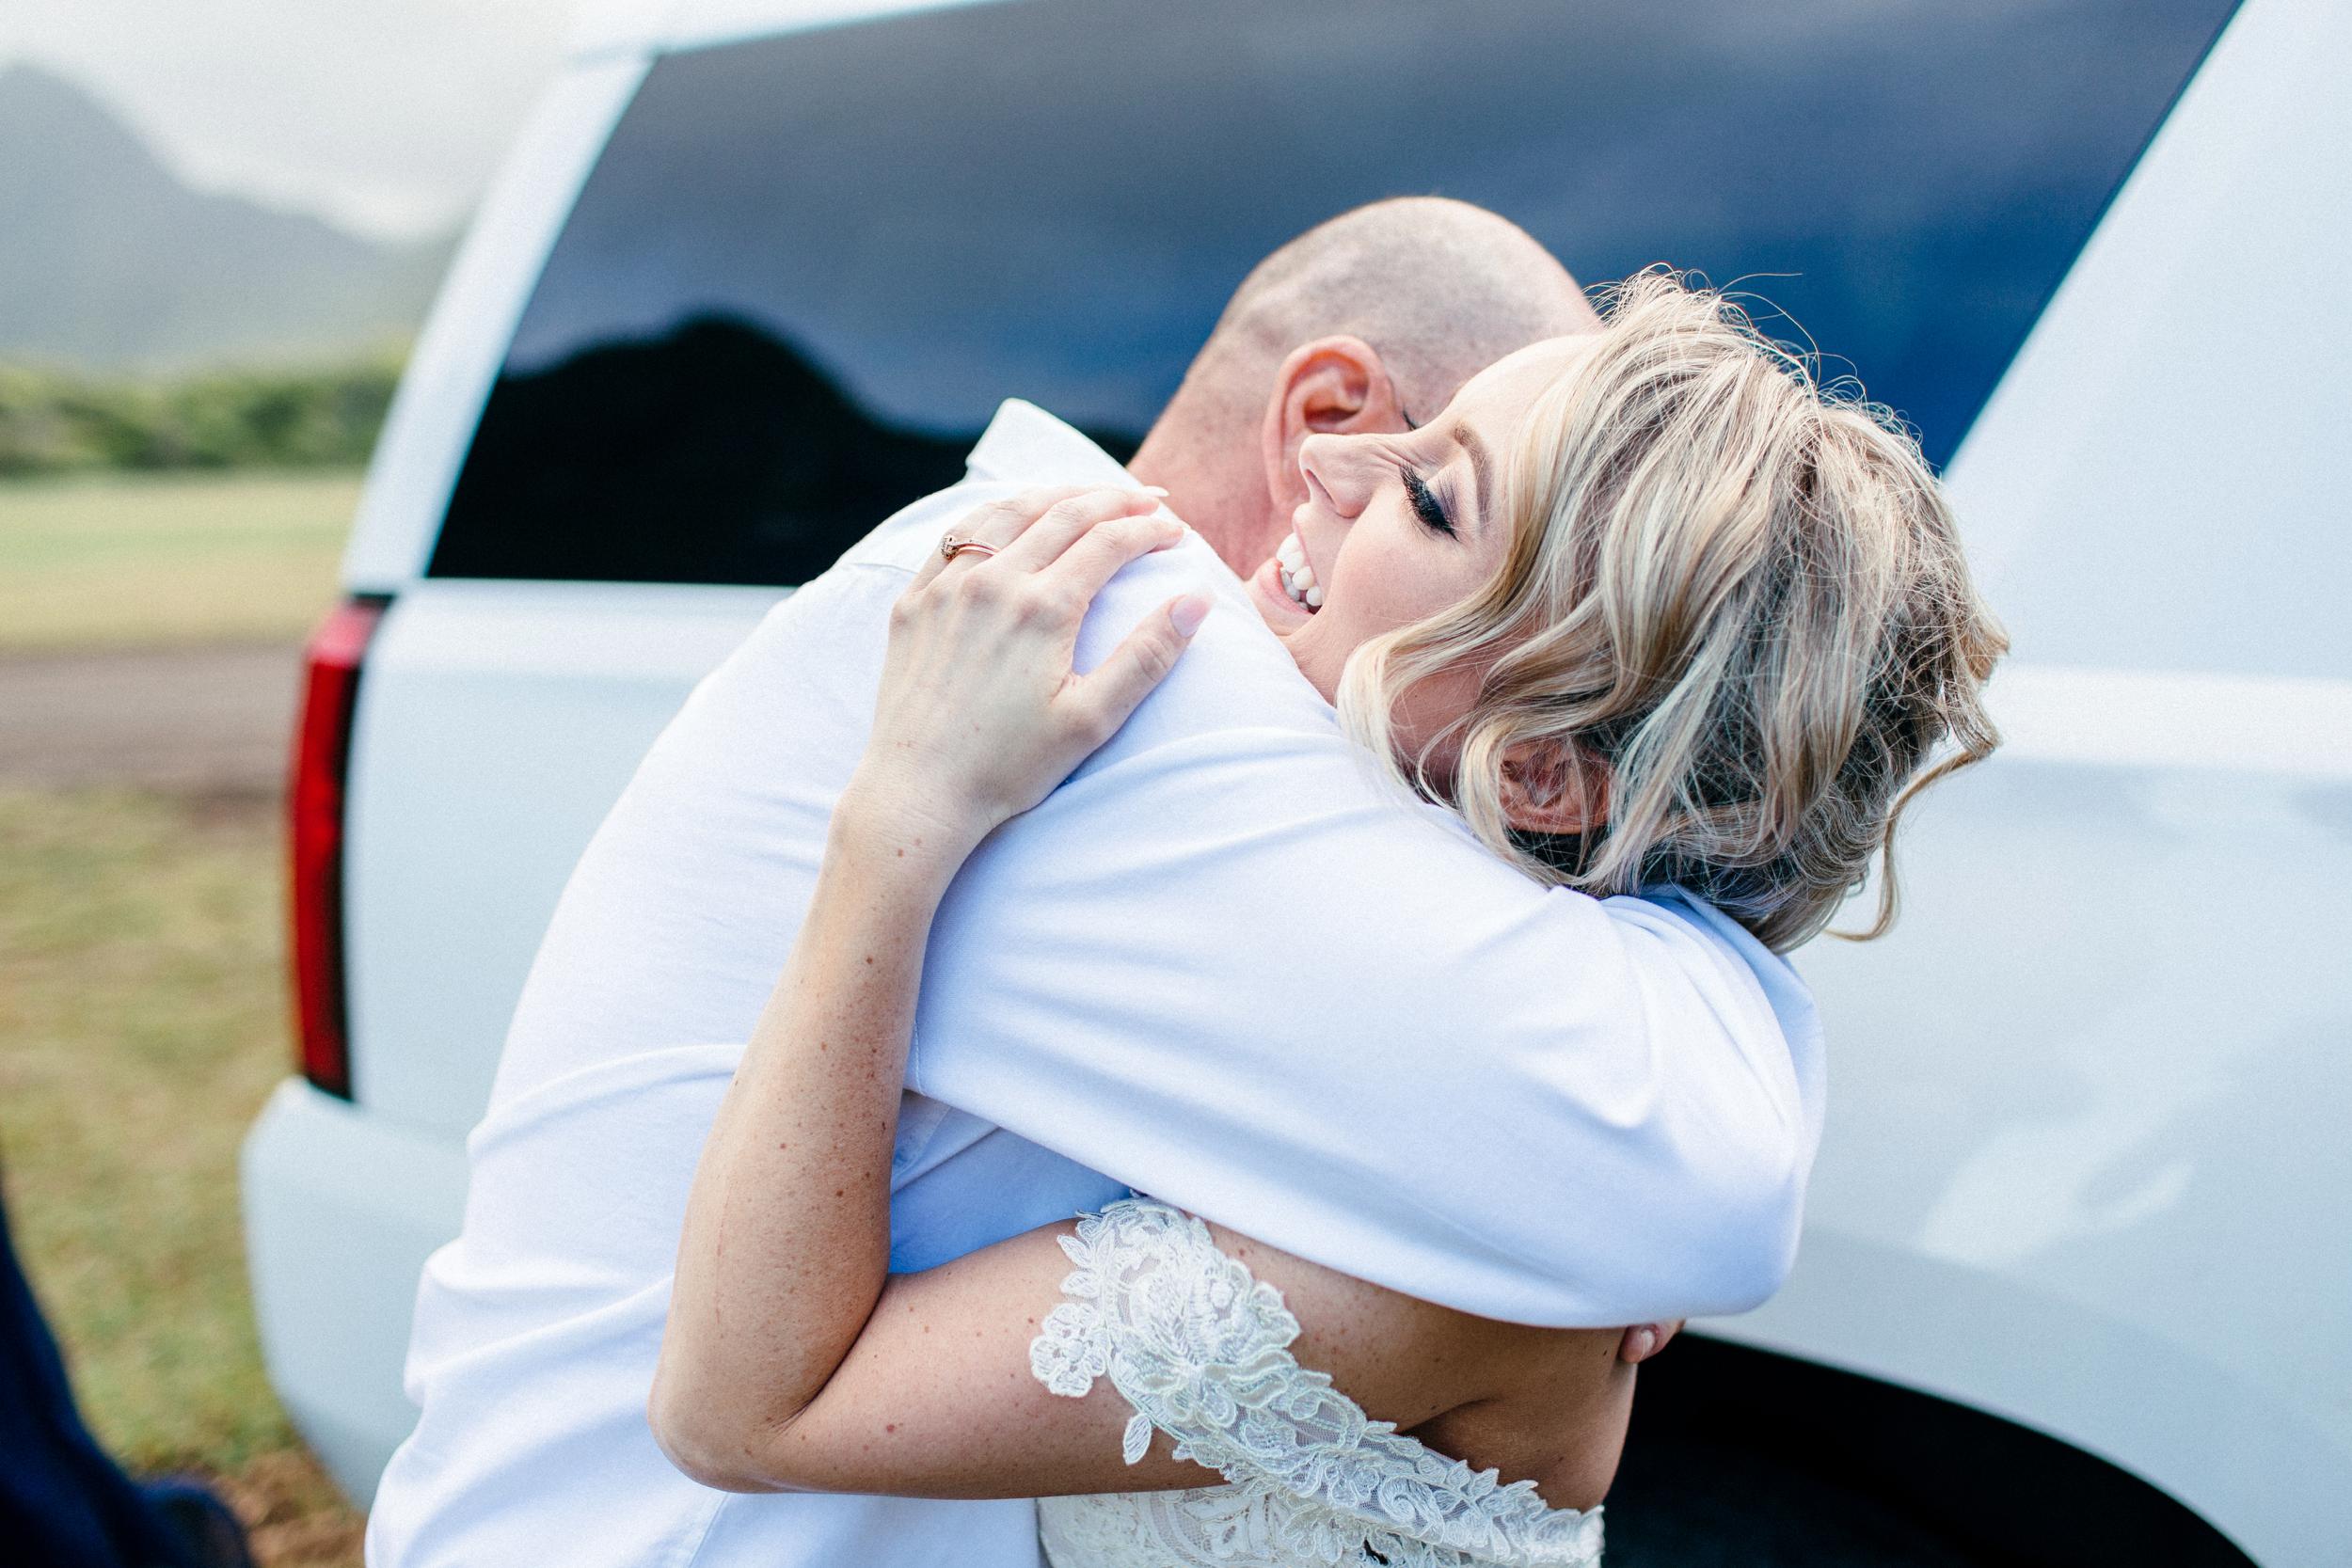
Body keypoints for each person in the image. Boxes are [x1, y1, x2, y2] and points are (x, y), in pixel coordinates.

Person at [370, 204, 1860, 1568]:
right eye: (1428, 466)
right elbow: (1694, 1163)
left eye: (1431, 499)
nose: (1357, 488)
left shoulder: (1048, 621)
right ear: (1321, 414)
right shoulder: (1101, 647)